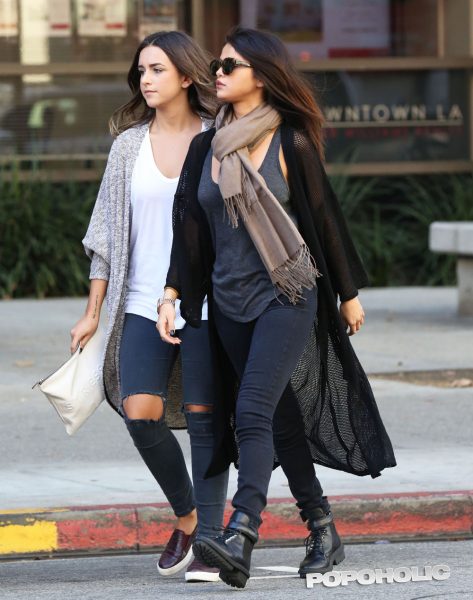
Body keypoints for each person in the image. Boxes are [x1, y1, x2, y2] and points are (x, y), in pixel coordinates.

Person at [157, 26, 396, 589]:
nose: (217, 73)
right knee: (280, 419)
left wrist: (348, 293)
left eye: (229, 66)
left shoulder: (291, 142)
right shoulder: (207, 148)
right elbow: (189, 229)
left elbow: (324, 217)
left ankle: (241, 532)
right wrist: (173, 294)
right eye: (217, 65)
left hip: (288, 296)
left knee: (253, 410)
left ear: (261, 77)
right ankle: (322, 526)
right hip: (230, 301)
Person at [70, 31, 229, 583]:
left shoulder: (217, 138)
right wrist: (93, 310)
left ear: (186, 76)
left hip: (206, 302)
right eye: (141, 71)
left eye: (158, 69)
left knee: (208, 421)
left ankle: (211, 540)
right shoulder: (128, 146)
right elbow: (104, 235)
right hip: (140, 300)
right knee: (140, 410)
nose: (146, 79)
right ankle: (188, 517)